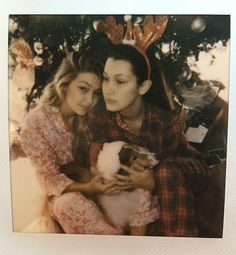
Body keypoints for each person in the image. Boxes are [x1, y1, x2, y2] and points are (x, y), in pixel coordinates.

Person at [88, 44, 211, 237]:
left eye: (120, 81)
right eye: (106, 78)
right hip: (141, 190)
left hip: (186, 171)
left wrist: (153, 183)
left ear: (143, 87)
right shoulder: (100, 115)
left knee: (165, 171)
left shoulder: (165, 123)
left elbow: (175, 175)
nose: (108, 90)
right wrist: (101, 174)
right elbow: (95, 156)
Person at [20, 51, 124, 235]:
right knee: (71, 205)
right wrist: (88, 187)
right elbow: (49, 179)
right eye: (83, 89)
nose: (90, 100)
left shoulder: (93, 118)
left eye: (96, 93)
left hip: (98, 183)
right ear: (65, 84)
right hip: (61, 196)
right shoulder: (36, 122)